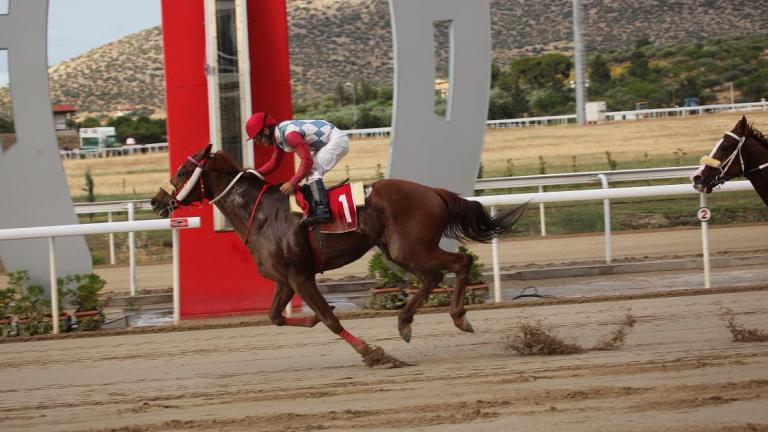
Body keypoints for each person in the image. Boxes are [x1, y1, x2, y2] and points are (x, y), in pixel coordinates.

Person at [245, 112, 349, 225]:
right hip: (327, 141)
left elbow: (307, 161)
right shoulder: (279, 136)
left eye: (257, 139)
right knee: (305, 176)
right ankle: (314, 209)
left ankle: (323, 211)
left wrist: (292, 183)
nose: (257, 143)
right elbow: (274, 163)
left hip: (337, 140)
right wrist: (255, 173)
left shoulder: (290, 135)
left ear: (265, 131)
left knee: (312, 170)